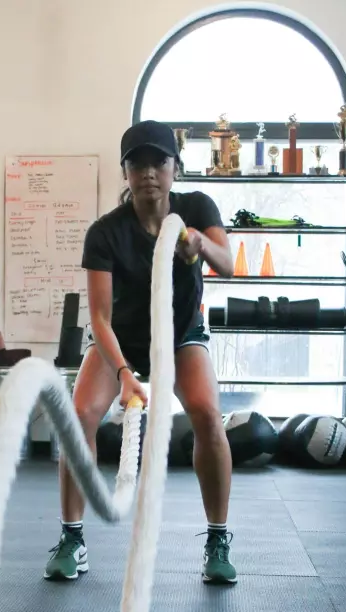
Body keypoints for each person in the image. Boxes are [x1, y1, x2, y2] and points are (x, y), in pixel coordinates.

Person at [44, 119, 237, 585]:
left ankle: (217, 538)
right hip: (122, 341)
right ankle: (72, 539)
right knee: (80, 416)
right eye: (138, 163)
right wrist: (126, 372)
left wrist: (199, 243)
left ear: (175, 167)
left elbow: (228, 265)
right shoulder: (105, 232)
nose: (149, 171)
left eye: (158, 161)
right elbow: (100, 318)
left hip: (180, 334)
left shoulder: (195, 207)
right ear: (126, 172)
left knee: (208, 414)